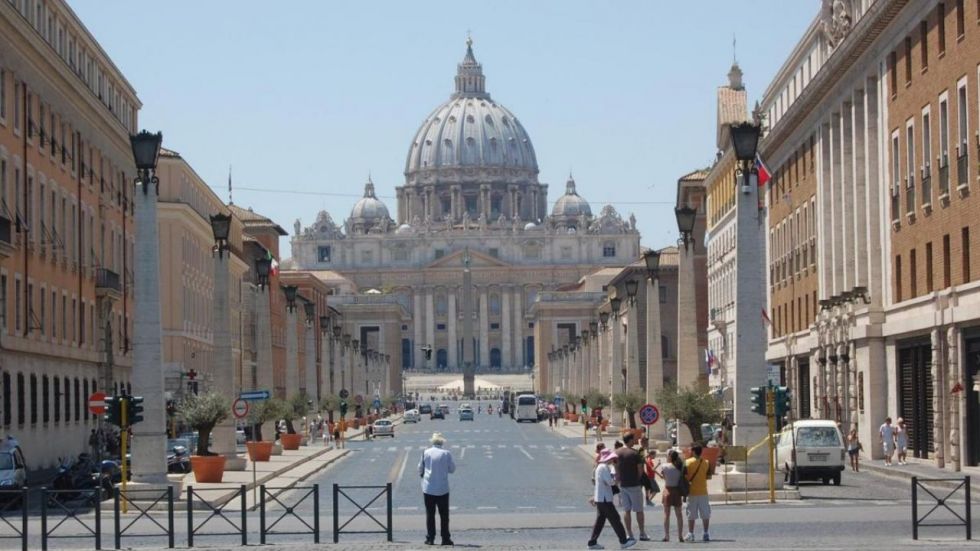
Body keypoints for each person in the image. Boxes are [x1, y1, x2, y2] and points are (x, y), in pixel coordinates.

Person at [588, 449, 635, 550]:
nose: (613, 460)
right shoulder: (604, 467)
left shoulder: (600, 467)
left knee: (600, 521)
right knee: (615, 519)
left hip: (601, 498)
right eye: (612, 458)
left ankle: (592, 542)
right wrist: (616, 479)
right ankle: (623, 541)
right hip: (604, 499)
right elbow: (609, 482)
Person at [419, 432, 456, 546]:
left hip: (428, 488)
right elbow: (452, 469)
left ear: (432, 442)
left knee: (430, 515)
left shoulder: (426, 452)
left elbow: (420, 468)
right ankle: (445, 538)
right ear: (442, 442)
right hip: (442, 488)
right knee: (444, 515)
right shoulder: (446, 453)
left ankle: (430, 538)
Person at [615, 433, 648, 542]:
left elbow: (615, 468)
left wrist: (619, 479)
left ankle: (629, 534)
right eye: (634, 439)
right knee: (639, 510)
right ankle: (642, 533)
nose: (635, 440)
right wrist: (637, 479)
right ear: (629, 440)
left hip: (623, 485)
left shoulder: (617, 452)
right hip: (634, 484)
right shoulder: (635, 453)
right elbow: (640, 470)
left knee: (626, 510)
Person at [684, 444, 711, 543]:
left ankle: (691, 533)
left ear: (694, 452)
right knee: (705, 513)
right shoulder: (706, 462)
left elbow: (685, 476)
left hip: (692, 492)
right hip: (703, 491)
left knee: (691, 514)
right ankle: (706, 533)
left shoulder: (687, 462)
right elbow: (708, 476)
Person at [658, 449, 685, 543]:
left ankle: (667, 536)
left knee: (666, 514)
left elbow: (664, 477)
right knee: (679, 515)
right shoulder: (679, 466)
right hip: (677, 490)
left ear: (669, 456)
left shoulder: (664, 466)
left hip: (668, 490)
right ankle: (680, 536)